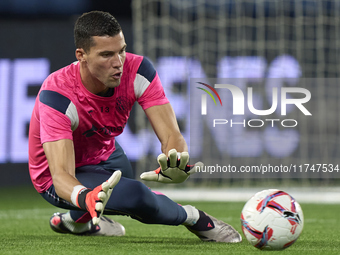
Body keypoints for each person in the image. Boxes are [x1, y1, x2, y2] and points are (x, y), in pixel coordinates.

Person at [28, 10, 242, 242]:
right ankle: (196, 218)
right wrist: (84, 196)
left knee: (122, 179)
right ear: (82, 55)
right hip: (55, 178)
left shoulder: (138, 70)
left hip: (105, 155)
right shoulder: (58, 94)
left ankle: (75, 222)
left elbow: (171, 133)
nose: (118, 63)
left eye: (121, 50)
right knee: (136, 195)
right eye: (106, 55)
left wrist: (176, 160)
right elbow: (61, 175)